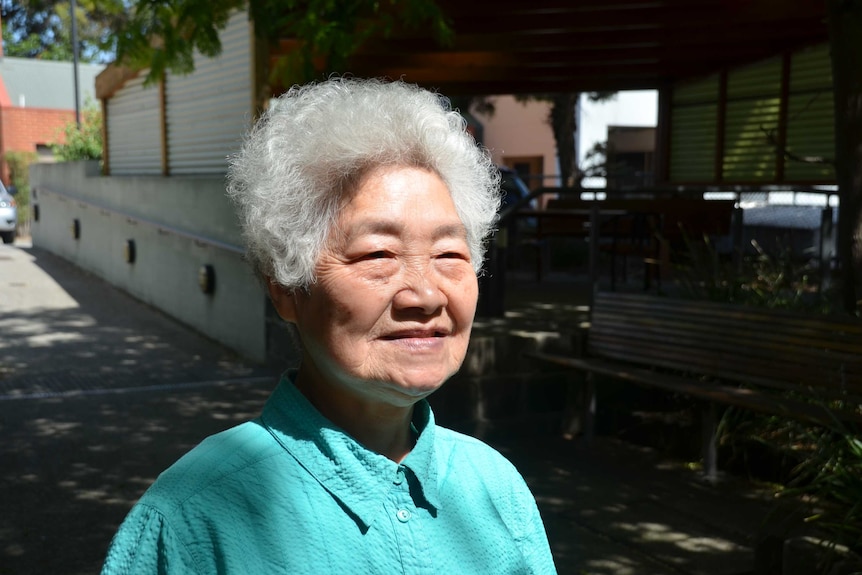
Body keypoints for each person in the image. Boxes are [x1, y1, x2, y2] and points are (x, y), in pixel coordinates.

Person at [101, 77, 557, 574]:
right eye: (378, 254)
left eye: (450, 253)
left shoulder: (495, 486)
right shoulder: (193, 517)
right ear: (286, 289)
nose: (425, 295)